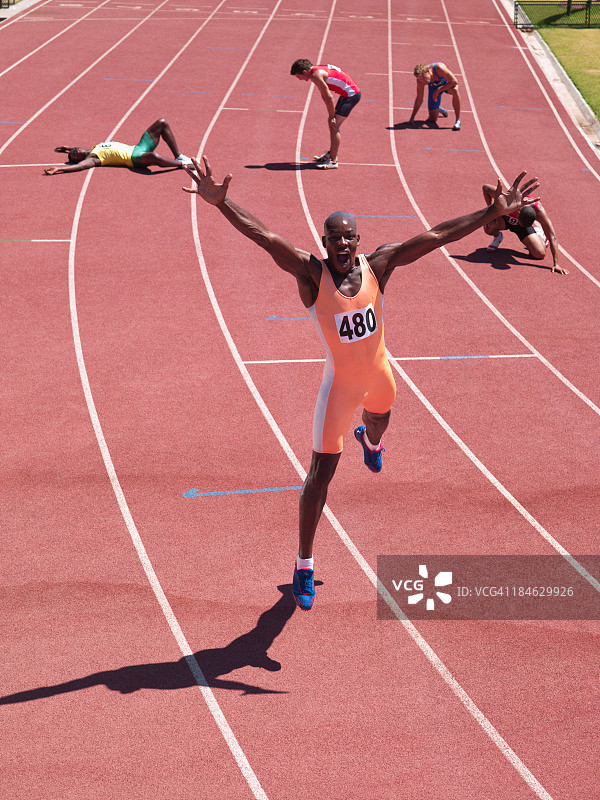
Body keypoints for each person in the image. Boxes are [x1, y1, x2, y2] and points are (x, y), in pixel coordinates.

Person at [183, 158, 539, 610]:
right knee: (318, 476)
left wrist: (488, 215)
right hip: (340, 388)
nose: (343, 245)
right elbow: (265, 238)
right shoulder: (312, 275)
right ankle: (304, 562)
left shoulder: (381, 264)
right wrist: (222, 203)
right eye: (334, 238)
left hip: (381, 377)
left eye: (349, 237)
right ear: (325, 242)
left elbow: (436, 237)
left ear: (358, 240)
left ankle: (370, 442)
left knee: (379, 422)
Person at [43, 118, 193, 175]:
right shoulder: (93, 158)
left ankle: (178, 155)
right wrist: (60, 169)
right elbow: (80, 167)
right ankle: (182, 164)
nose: (77, 151)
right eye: (75, 154)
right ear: (79, 159)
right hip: (134, 158)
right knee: (154, 157)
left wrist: (67, 149)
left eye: (75, 150)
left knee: (162, 123)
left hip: (138, 147)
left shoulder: (93, 148)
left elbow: (75, 150)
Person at [290, 59, 361, 170]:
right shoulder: (315, 70)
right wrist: (331, 115)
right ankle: (331, 153)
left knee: (334, 126)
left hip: (351, 95)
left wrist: (332, 116)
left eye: (299, 77)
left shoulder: (315, 76)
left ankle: (333, 161)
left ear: (304, 72)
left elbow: (329, 97)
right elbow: (324, 94)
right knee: (331, 124)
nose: (300, 79)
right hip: (347, 93)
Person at [481, 182, 567, 274]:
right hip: (504, 217)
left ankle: (540, 235)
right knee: (488, 226)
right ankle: (498, 237)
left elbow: (552, 236)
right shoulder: (509, 199)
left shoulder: (539, 211)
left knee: (539, 254)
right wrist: (493, 213)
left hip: (522, 225)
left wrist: (556, 264)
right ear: (518, 213)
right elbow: (486, 188)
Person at [409, 63, 461, 131]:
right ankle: (438, 108)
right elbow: (419, 98)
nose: (423, 81)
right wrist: (412, 117)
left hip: (446, 84)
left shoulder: (439, 68)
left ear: (428, 71)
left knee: (455, 90)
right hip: (433, 88)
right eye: (421, 79)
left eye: (424, 78)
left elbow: (454, 81)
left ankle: (458, 120)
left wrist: (438, 90)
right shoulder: (420, 81)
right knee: (432, 120)